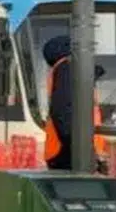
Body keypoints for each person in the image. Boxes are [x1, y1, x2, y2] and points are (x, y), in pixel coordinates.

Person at [42, 34, 108, 172]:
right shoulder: (67, 69)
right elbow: (63, 113)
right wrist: (83, 150)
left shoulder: (65, 70)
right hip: (68, 155)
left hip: (66, 152)